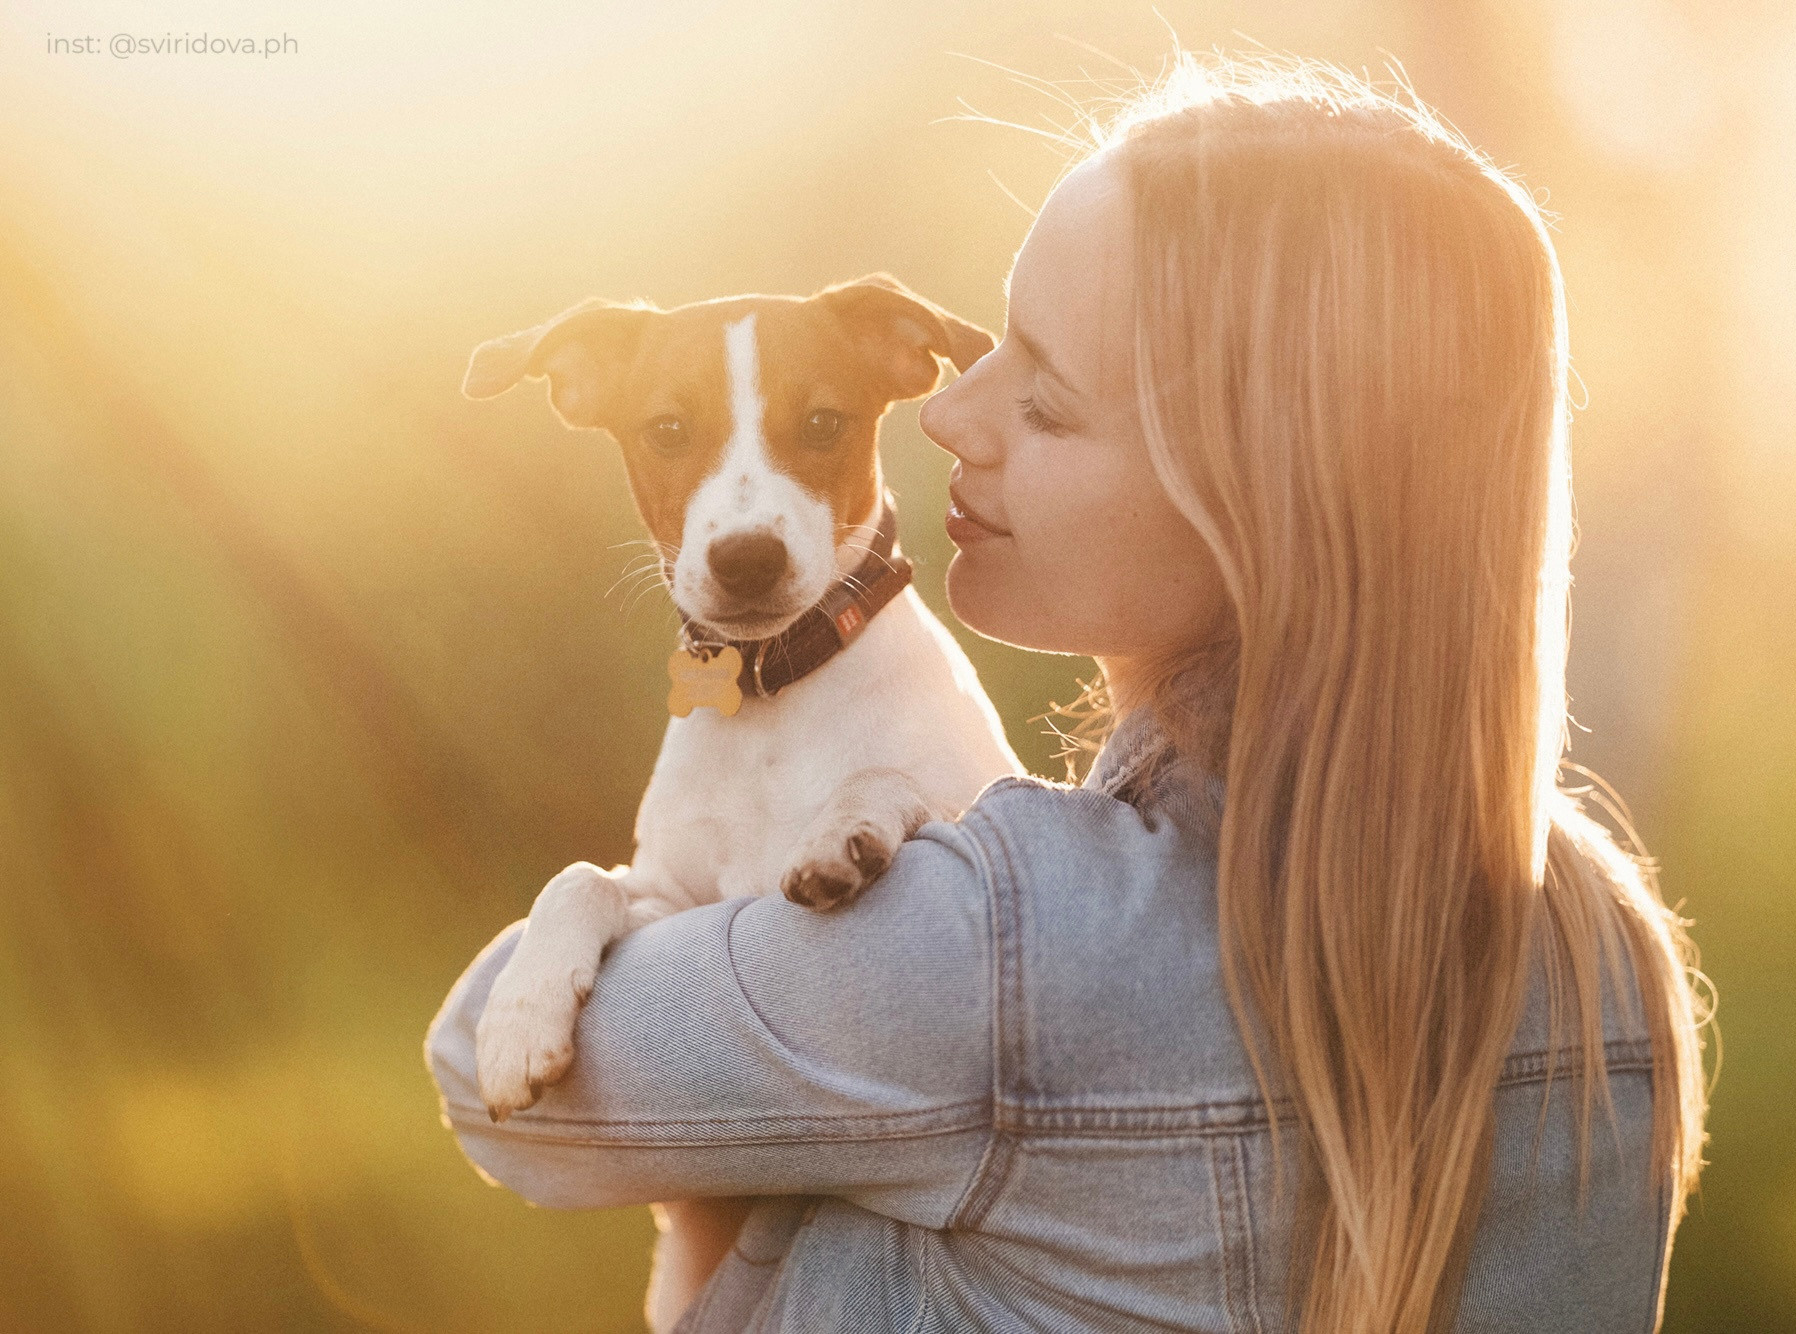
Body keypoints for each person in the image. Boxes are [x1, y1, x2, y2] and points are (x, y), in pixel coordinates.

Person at [426, 51, 1712, 1333]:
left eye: (1041, 396)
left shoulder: (983, 948)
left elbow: (489, 1079)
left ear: (1249, 495)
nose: (945, 417)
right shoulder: (1603, 957)